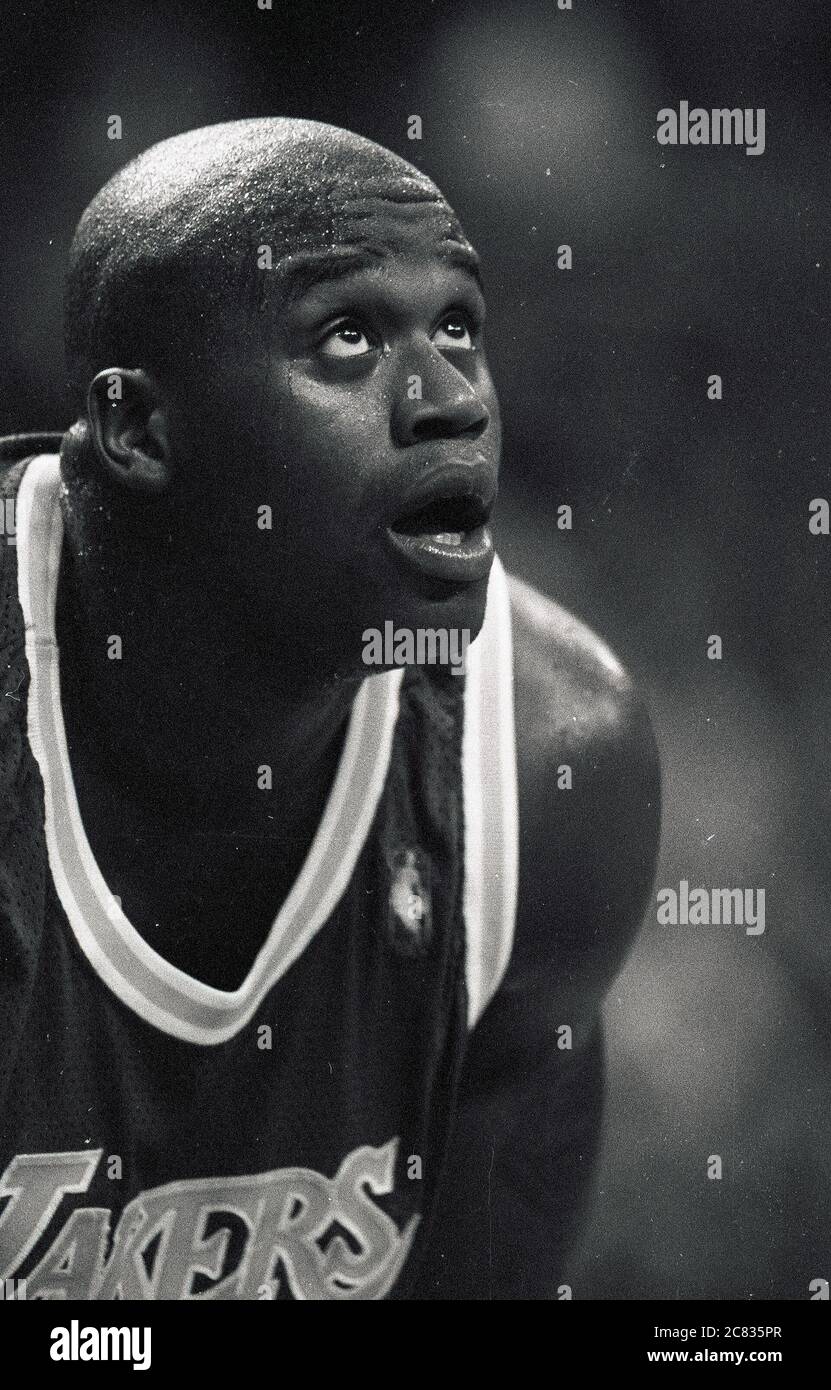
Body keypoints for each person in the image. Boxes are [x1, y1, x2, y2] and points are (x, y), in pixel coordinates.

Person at [0, 118, 660, 1299]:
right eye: (349, 337)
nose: (450, 399)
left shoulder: (549, 762)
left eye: (457, 324)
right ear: (137, 427)